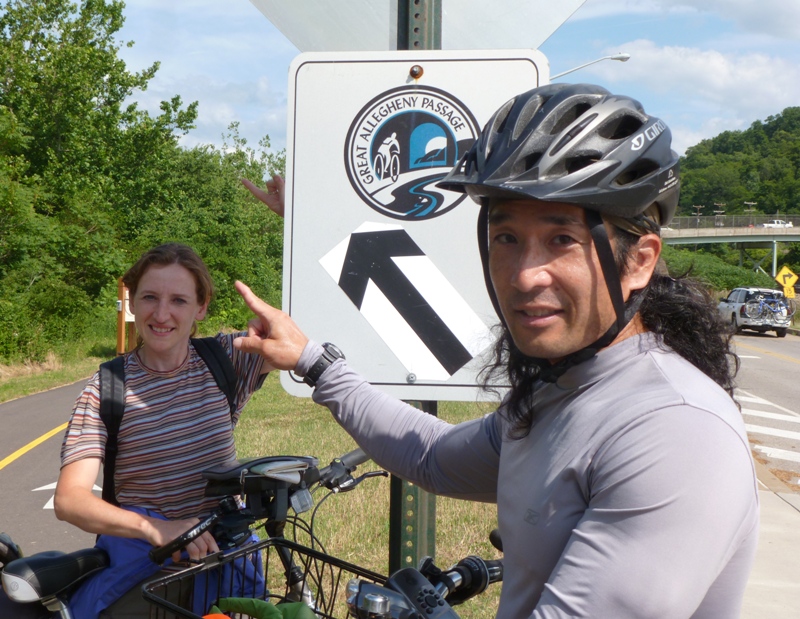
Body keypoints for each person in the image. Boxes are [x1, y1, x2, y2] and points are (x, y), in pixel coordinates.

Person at [237, 83, 759, 617]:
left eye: (562, 240)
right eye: (506, 238)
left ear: (638, 261)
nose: (526, 275)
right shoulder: (561, 392)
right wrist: (313, 362)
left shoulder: (674, 430)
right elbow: (432, 457)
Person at [0, 243, 269, 619]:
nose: (161, 314)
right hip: (142, 572)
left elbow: (306, 341)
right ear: (132, 302)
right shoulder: (106, 388)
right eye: (149, 297)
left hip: (222, 559)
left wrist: (296, 214)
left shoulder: (227, 359)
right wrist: (156, 528)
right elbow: (70, 499)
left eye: (178, 300)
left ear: (201, 307)